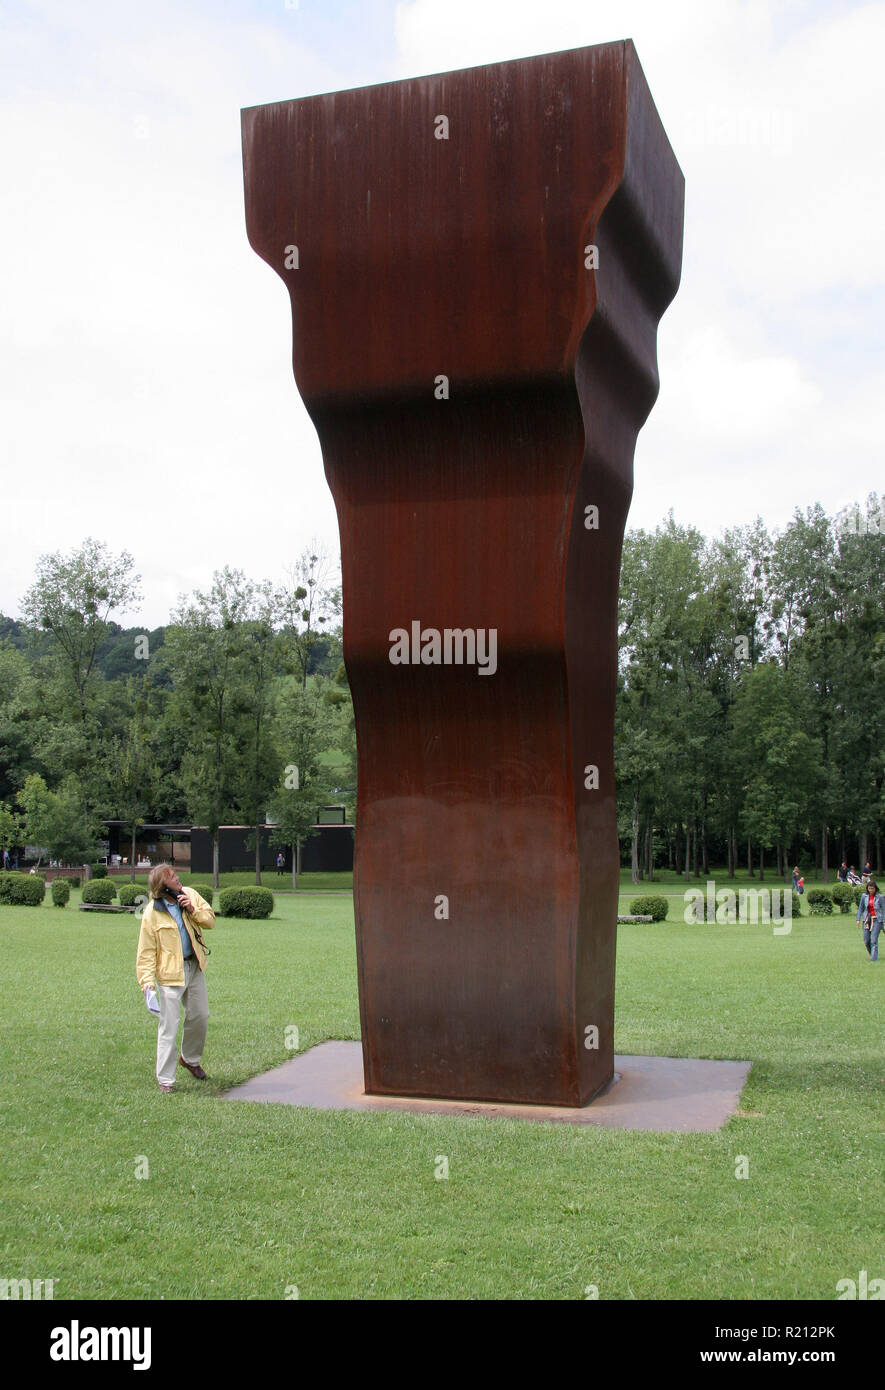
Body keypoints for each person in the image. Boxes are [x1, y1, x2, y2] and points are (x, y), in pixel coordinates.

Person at [135, 864, 215, 1092]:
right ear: (163, 886)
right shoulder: (152, 913)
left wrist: (192, 910)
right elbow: (146, 952)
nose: (177, 879)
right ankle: (165, 1080)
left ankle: (190, 1059)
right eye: (172, 877)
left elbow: (210, 921)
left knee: (200, 1015)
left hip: (194, 966)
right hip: (170, 974)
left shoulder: (190, 895)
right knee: (169, 1026)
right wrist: (147, 982)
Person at [856, 879, 884, 963]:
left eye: (872, 888)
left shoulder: (880, 897)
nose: (871, 890)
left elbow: (884, 909)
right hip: (867, 920)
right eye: (869, 888)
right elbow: (861, 908)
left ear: (875, 888)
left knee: (874, 940)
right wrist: (858, 919)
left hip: (877, 920)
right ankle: (872, 953)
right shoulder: (864, 896)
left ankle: (873, 959)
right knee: (866, 940)